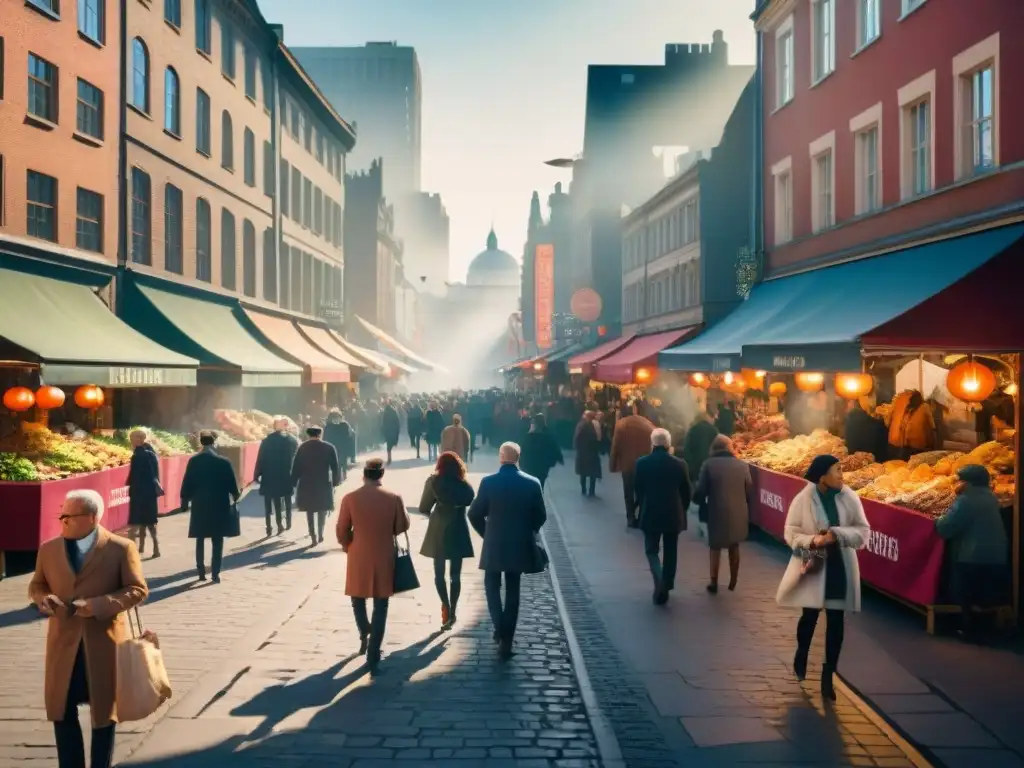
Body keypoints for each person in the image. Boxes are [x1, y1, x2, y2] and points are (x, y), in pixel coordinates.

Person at [29, 489, 148, 768]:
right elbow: (37, 585)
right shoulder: (49, 549)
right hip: (63, 645)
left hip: (103, 643)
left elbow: (138, 589)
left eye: (70, 516)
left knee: (104, 714)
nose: (63, 520)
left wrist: (102, 604)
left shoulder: (120, 548)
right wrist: (42, 599)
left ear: (92, 518)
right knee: (62, 710)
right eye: (62, 515)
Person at [776, 454, 870, 701]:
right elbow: (790, 532)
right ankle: (802, 651)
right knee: (809, 616)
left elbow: (863, 532)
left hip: (840, 566)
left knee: (836, 622)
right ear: (822, 476)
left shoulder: (849, 497)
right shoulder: (803, 498)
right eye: (837, 470)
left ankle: (829, 674)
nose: (842, 475)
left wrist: (837, 534)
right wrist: (814, 540)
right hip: (814, 565)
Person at [468, 442, 548, 660]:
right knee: (513, 591)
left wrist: (487, 533)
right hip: (519, 544)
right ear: (518, 457)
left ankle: (499, 627)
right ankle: (507, 641)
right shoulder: (533, 483)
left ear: (500, 457)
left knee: (491, 586)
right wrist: (527, 531)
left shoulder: (488, 482)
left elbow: (474, 513)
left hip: (494, 544)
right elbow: (541, 515)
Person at [337, 458, 411, 673]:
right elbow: (402, 526)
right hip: (384, 554)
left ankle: (364, 633)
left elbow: (342, 529)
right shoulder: (393, 497)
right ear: (381, 475)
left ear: (364, 474)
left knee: (357, 597)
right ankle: (374, 650)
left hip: (358, 553)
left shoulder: (350, 498)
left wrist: (347, 544)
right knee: (381, 604)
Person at [935, 464, 1010, 640]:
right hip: (997, 556)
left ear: (967, 483)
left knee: (964, 593)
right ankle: (987, 629)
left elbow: (947, 527)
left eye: (960, 480)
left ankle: (969, 630)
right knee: (985, 595)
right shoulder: (992, 498)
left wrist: (937, 521)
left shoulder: (965, 501)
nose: (957, 483)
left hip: (971, 556)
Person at [633, 428, 691, 605]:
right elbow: (686, 491)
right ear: (668, 444)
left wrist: (639, 506)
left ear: (652, 443)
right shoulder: (680, 464)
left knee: (651, 549)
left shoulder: (642, 463)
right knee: (671, 550)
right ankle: (667, 583)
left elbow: (638, 488)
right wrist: (683, 509)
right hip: (673, 512)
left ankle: (659, 580)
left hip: (650, 511)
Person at [419, 451, 476, 629]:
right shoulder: (464, 484)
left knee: (439, 573)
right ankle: (453, 611)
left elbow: (423, 507)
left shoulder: (433, 481)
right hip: (458, 527)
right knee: (455, 575)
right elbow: (470, 498)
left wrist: (434, 511)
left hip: (438, 528)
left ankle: (445, 604)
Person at [693, 435, 755, 594]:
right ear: (730, 448)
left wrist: (698, 500)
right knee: (734, 544)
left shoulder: (708, 464)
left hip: (716, 510)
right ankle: (733, 580)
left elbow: (701, 489)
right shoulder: (742, 465)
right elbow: (749, 489)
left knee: (715, 547)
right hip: (738, 511)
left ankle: (713, 581)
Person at [181, 431, 241, 583]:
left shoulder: (194, 461)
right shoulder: (224, 461)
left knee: (200, 538)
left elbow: (187, 482)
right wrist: (235, 495)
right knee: (217, 539)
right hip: (219, 504)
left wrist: (184, 502)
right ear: (214, 443)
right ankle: (215, 573)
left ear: (201, 443)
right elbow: (233, 485)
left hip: (200, 504)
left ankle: (200, 571)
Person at [292, 426, 342, 546]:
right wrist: (335, 482)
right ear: (320, 434)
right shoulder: (329, 447)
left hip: (307, 482)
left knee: (309, 510)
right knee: (322, 509)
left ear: (308, 435)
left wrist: (293, 481)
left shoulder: (302, 447)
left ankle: (312, 535)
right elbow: (335, 467)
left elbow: (296, 466)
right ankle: (320, 533)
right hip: (323, 482)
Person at [610, 401, 656, 528]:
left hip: (627, 465)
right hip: (645, 465)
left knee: (628, 492)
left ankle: (630, 517)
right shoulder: (649, 425)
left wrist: (613, 464)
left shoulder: (621, 425)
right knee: (642, 491)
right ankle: (641, 515)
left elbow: (615, 446)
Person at [254, 416, 299, 536]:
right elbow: (296, 459)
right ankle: (286, 522)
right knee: (287, 498)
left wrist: (257, 475)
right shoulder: (292, 440)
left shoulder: (266, 441)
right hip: (285, 475)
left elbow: (260, 459)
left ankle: (269, 527)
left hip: (269, 475)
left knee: (269, 502)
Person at [126, 428, 162, 558]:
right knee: (150, 522)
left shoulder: (138, 456)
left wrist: (129, 484)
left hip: (139, 493)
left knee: (135, 524)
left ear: (140, 440)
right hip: (150, 494)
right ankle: (155, 548)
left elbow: (135, 476)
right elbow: (155, 475)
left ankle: (131, 552)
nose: (131, 441)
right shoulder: (151, 454)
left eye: (133, 438)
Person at [519, 414, 564, 490]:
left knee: (530, 483)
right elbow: (554, 448)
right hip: (543, 466)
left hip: (529, 465)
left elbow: (523, 450)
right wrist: (558, 459)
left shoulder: (529, 436)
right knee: (540, 482)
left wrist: (521, 463)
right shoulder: (548, 435)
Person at [682, 413, 719, 485]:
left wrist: (690, 465)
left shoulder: (692, 430)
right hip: (711, 466)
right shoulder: (713, 430)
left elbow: (686, 449)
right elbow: (718, 448)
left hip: (695, 467)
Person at [573, 411, 602, 497]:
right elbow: (599, 438)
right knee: (593, 472)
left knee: (583, 472)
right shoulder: (595, 425)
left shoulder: (581, 425)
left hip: (583, 452)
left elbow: (576, 438)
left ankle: (583, 489)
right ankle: (591, 490)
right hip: (592, 452)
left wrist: (577, 447)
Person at [324, 409, 355, 477]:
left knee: (337, 461)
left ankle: (339, 475)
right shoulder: (344, 424)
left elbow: (325, 437)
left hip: (333, 446)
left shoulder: (328, 426)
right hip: (342, 446)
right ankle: (343, 473)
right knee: (343, 461)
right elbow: (351, 435)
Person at [380, 400, 401, 465]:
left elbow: (384, 422)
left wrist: (383, 429)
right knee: (389, 444)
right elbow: (397, 421)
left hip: (389, 430)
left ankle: (389, 458)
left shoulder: (386, 412)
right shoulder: (393, 411)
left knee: (389, 445)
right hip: (392, 430)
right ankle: (389, 458)